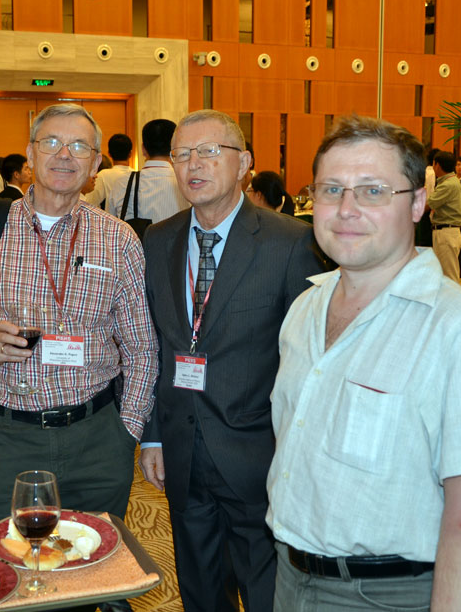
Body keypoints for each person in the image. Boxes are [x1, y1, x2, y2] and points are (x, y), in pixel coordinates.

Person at [266, 114, 461, 611]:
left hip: (382, 595)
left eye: (373, 191)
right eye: (331, 190)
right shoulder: (304, 309)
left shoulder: (452, 324)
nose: (346, 209)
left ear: (418, 203)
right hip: (289, 577)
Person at [0, 104, 157, 532]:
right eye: (51, 142)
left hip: (98, 439)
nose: (65, 155)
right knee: (8, 559)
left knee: (95, 558)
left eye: (79, 146)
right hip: (5, 437)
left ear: (95, 162)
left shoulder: (118, 238)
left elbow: (141, 345)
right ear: (30, 154)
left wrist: (127, 428)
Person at [139, 109, 327, 612]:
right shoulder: (158, 240)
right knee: (200, 592)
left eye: (208, 151)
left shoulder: (290, 242)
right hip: (181, 451)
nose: (193, 164)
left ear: (243, 163)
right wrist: (153, 435)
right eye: (182, 154)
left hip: (259, 456)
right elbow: (153, 346)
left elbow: (310, 360)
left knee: (268, 595)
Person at [104, 119, 189, 224]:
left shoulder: (122, 183)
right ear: (174, 149)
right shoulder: (187, 182)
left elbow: (109, 224)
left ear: (143, 149)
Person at [428, 150, 461, 281]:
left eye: (433, 164)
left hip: (446, 233)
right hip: (445, 231)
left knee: (449, 277)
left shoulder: (448, 184)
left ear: (437, 165)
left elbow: (429, 204)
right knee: (442, 275)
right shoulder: (450, 181)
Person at [83, 133, 133, 209]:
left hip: (109, 216)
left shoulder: (103, 175)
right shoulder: (137, 175)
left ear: (109, 153)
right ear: (130, 154)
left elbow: (90, 203)